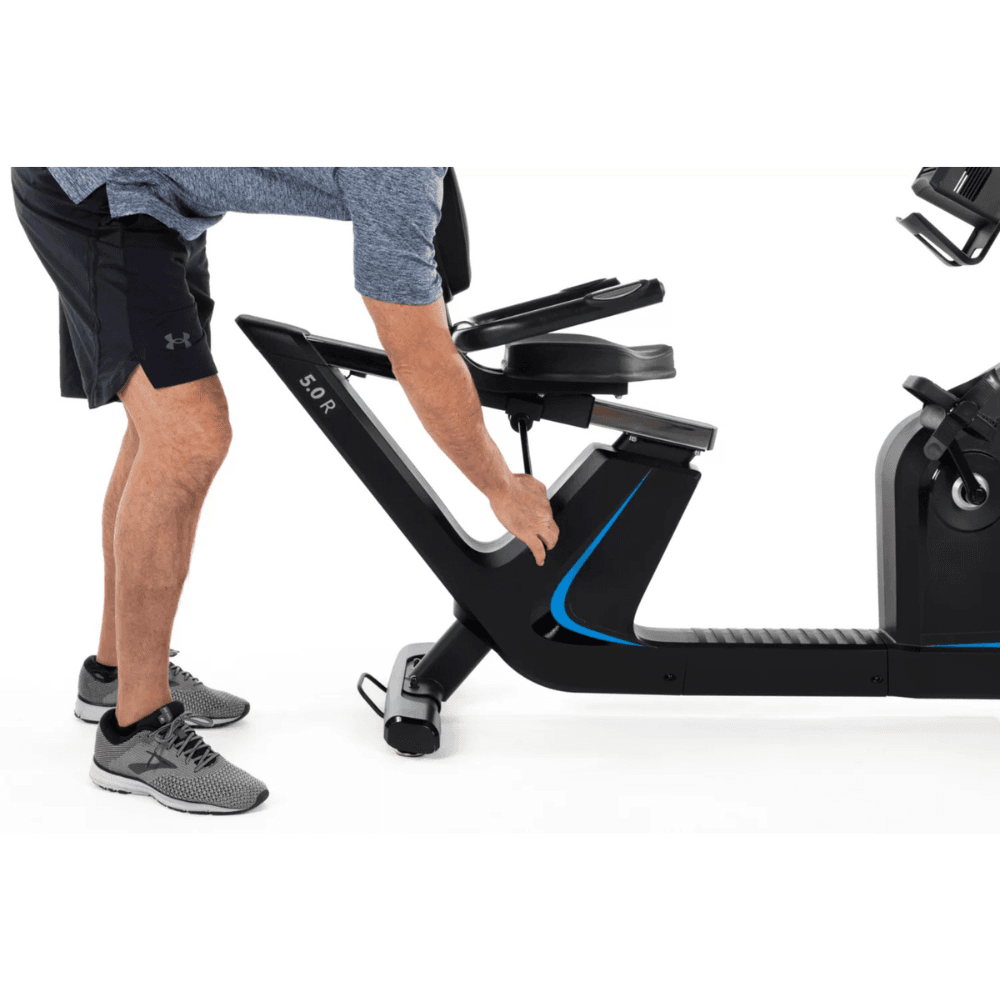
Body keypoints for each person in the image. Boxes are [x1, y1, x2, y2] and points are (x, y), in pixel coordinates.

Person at [11, 167, 559, 815]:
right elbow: (418, 352)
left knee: (160, 427)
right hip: (98, 187)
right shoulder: (397, 165)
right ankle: (137, 732)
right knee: (188, 437)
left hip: (161, 199)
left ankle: (116, 673)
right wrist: (499, 484)